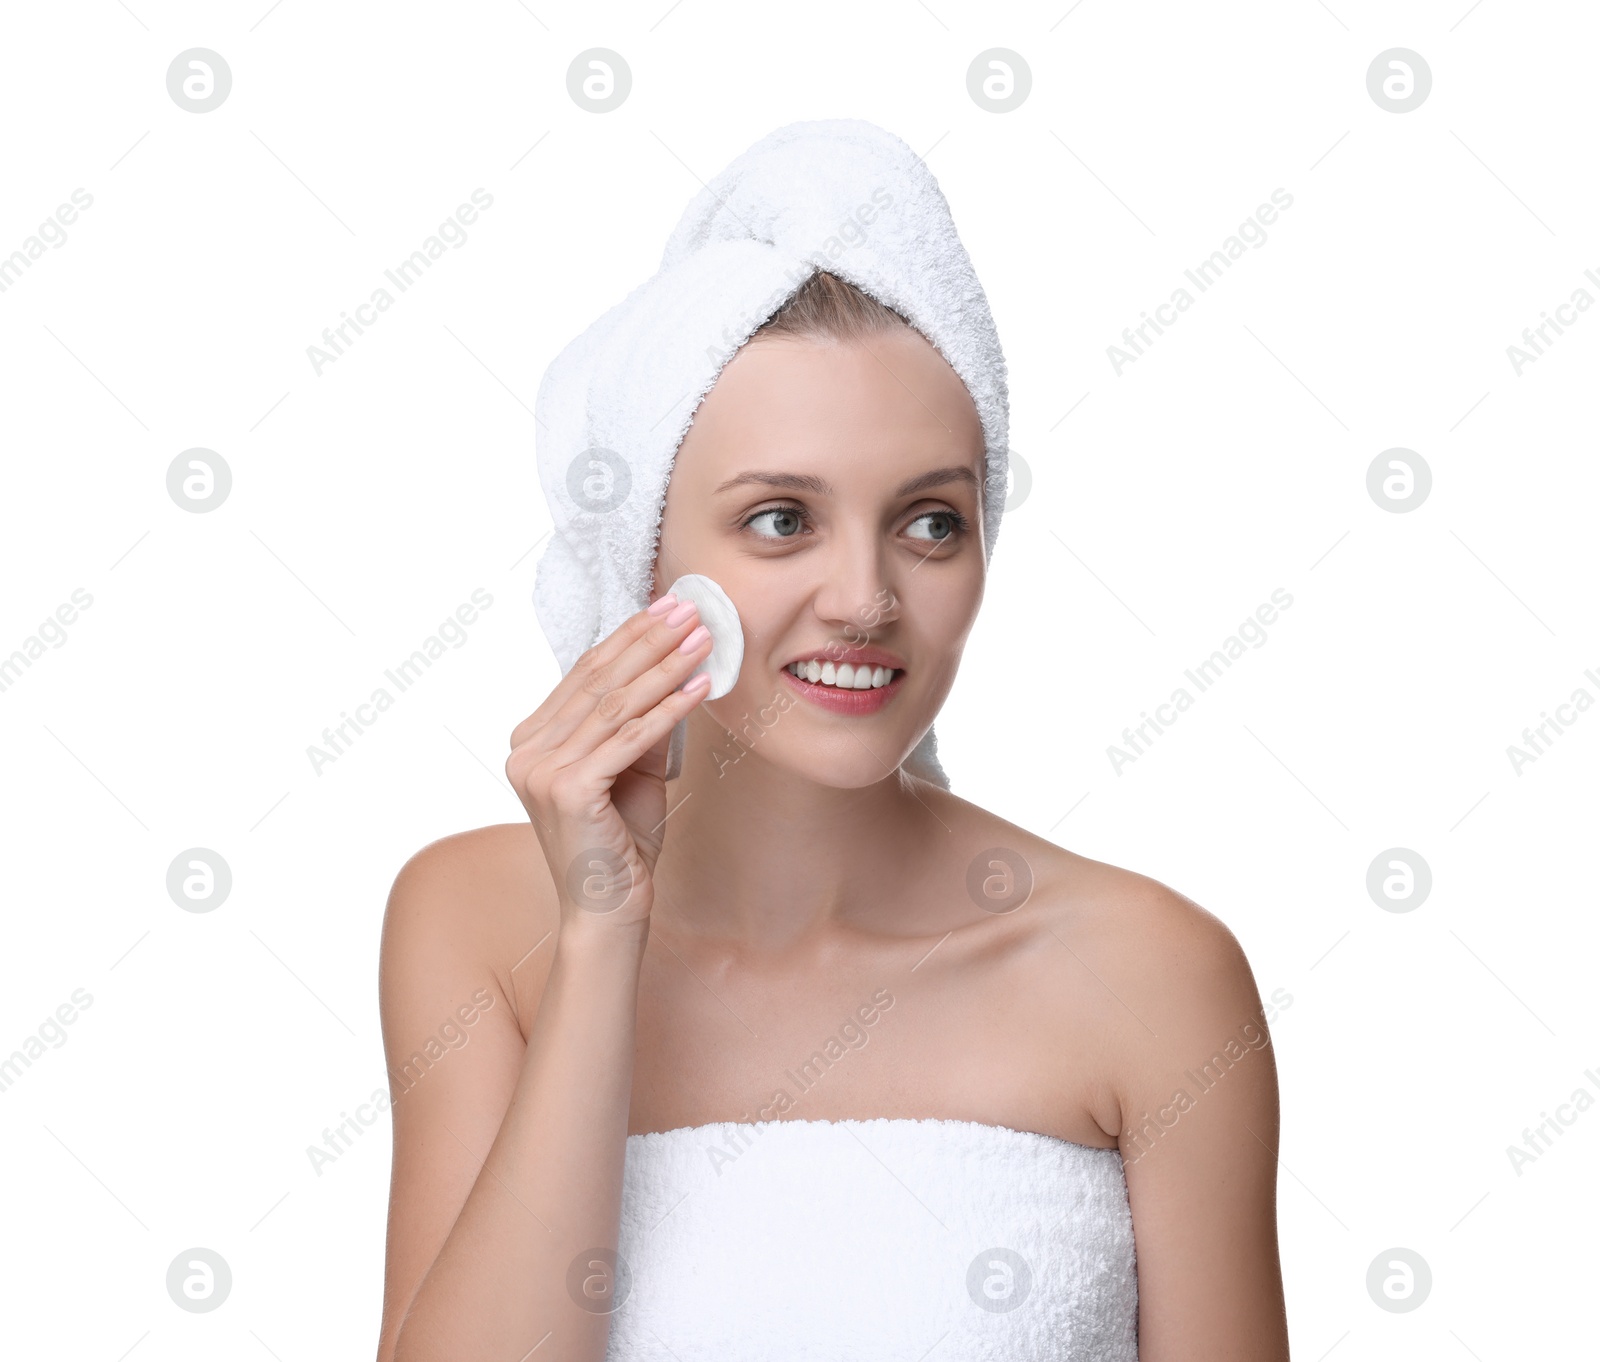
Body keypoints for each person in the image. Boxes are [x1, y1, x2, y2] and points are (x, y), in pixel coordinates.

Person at [376, 127, 1289, 1362]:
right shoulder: (476, 925)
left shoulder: (1151, 976)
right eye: (778, 519)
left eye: (927, 521)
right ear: (646, 557)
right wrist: (600, 941)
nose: (863, 597)